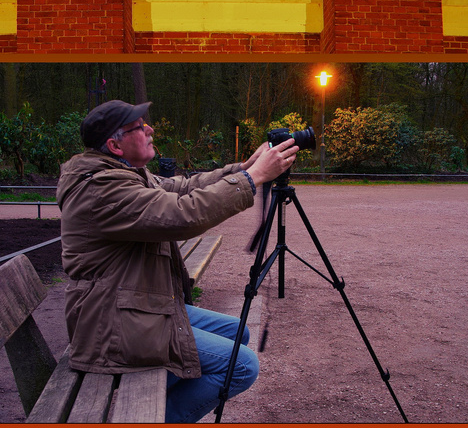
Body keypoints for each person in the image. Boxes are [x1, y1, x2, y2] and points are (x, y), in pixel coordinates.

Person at [57, 100, 299, 423]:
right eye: (139, 127)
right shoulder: (102, 188)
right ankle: (154, 418)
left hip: (132, 309)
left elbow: (186, 187)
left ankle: (156, 403)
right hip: (110, 327)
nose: (150, 130)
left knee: (238, 332)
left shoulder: (127, 174)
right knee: (243, 365)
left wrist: (245, 167)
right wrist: (252, 179)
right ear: (115, 145)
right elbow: (182, 214)